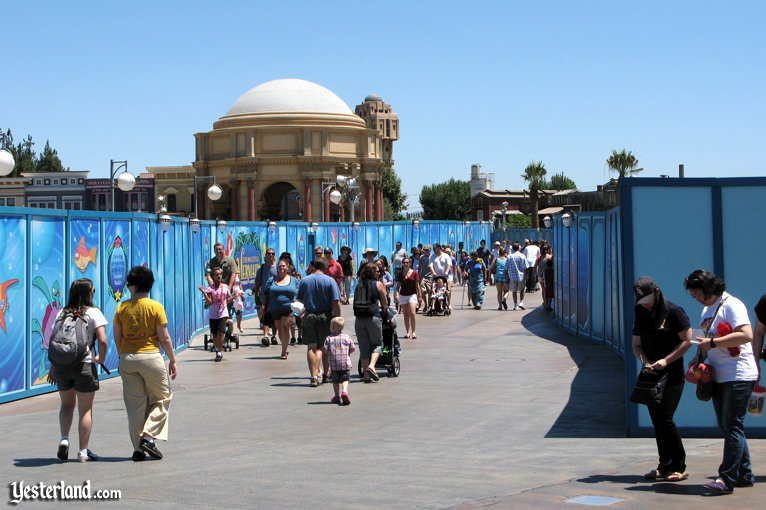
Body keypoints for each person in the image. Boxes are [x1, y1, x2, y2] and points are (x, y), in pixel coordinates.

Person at [684, 269, 756, 494]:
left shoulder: (732, 305)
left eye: (697, 294)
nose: (695, 298)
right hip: (718, 375)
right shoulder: (708, 309)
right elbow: (706, 340)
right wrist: (699, 356)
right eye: (693, 295)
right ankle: (744, 474)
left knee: (733, 425)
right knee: (728, 426)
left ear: (708, 289)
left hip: (738, 374)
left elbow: (746, 335)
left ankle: (726, 479)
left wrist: (713, 343)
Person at [632, 277, 693, 483]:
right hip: (651, 374)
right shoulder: (640, 312)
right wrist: (646, 361)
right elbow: (636, 344)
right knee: (656, 420)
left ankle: (679, 466)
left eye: (649, 299)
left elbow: (687, 340)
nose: (646, 304)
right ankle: (664, 464)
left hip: (672, 373)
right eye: (642, 300)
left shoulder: (674, 311)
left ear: (657, 292)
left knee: (666, 418)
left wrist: (666, 361)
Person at [114, 266, 177, 461]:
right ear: (150, 285)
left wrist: (123, 355)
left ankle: (138, 449)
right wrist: (172, 360)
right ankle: (149, 437)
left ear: (132, 286)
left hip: (127, 358)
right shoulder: (155, 307)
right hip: (150, 357)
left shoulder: (121, 308)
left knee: (135, 406)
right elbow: (164, 338)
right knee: (162, 398)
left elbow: (118, 336)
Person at [49, 278, 108, 462]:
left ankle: (64, 439)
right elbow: (103, 340)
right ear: (88, 292)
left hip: (61, 367)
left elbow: (55, 341)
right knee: (85, 410)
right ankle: (83, 451)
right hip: (84, 364)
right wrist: (101, 358)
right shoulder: (93, 312)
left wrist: (53, 367)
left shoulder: (61, 313)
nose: (94, 292)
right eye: (93, 289)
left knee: (66, 405)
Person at [296, 258, 341, 387]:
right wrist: (338, 317)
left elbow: (300, 299)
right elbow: (336, 301)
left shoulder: (305, 280)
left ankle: (313, 375)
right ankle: (326, 374)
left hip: (309, 315)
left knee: (311, 346)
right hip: (325, 316)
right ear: (326, 267)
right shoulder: (330, 281)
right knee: (324, 347)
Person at [354, 262, 388, 382]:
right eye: (378, 271)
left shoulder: (359, 285)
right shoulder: (378, 284)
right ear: (372, 273)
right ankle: (372, 366)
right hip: (373, 317)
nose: (379, 273)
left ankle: (366, 376)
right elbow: (385, 303)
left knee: (364, 347)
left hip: (359, 319)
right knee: (377, 344)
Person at [263, 259, 301, 359]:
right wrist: (263, 306)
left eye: (283, 266)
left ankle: (283, 351)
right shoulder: (271, 280)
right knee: (279, 329)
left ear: (287, 268)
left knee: (285, 327)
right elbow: (266, 294)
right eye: (279, 266)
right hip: (275, 308)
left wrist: (300, 305)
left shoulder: (294, 281)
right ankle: (285, 347)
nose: (281, 268)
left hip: (288, 308)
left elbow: (301, 294)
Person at [198, 268, 232, 362]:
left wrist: (234, 297)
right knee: (214, 334)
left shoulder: (225, 287)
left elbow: (227, 299)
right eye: (217, 274)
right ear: (213, 276)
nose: (219, 276)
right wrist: (204, 293)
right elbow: (210, 302)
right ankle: (217, 349)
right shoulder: (210, 288)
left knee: (221, 332)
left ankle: (219, 351)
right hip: (213, 313)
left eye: (220, 274)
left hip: (223, 312)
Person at [324, 317, 355, 405]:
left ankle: (337, 395)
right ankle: (344, 392)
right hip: (345, 363)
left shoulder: (329, 338)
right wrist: (347, 352)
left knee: (335, 381)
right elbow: (353, 348)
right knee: (345, 379)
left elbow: (326, 351)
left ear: (333, 327)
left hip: (334, 365)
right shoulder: (346, 337)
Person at [255, 248, 278, 346]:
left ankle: (274, 336)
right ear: (266, 255)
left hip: (275, 296)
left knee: (275, 317)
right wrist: (256, 294)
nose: (271, 255)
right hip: (265, 296)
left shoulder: (277, 268)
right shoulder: (262, 268)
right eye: (269, 254)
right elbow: (257, 282)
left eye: (272, 254)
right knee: (265, 316)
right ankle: (265, 336)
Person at [395, 256, 422, 338]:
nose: (406, 264)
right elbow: (398, 286)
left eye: (407, 262)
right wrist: (397, 294)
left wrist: (419, 296)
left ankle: (413, 332)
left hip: (412, 295)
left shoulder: (414, 273)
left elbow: (417, 286)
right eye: (404, 262)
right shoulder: (400, 274)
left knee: (412, 313)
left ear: (410, 263)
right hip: (403, 295)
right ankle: (408, 332)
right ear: (402, 264)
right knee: (406, 314)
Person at [506, 242, 527, 310]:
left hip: (512, 276)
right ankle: (521, 302)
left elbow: (506, 267)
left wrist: (507, 276)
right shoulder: (522, 256)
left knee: (514, 291)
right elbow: (525, 267)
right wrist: (526, 275)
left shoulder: (509, 256)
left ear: (512, 248)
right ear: (518, 248)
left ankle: (515, 305)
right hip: (521, 275)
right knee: (522, 289)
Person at [538, 245, 555, 311]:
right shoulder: (550, 257)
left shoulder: (539, 258)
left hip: (541, 276)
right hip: (548, 278)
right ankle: (548, 304)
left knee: (544, 290)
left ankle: (545, 302)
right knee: (549, 291)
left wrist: (533, 274)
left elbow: (535, 266)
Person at [418, 245, 434, 311]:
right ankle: (426, 304)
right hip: (423, 276)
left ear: (430, 250)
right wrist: (418, 275)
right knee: (422, 291)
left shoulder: (432, 257)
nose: (426, 251)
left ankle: (429, 304)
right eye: (425, 250)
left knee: (430, 291)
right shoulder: (422, 257)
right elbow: (420, 267)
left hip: (430, 276)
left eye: (427, 250)